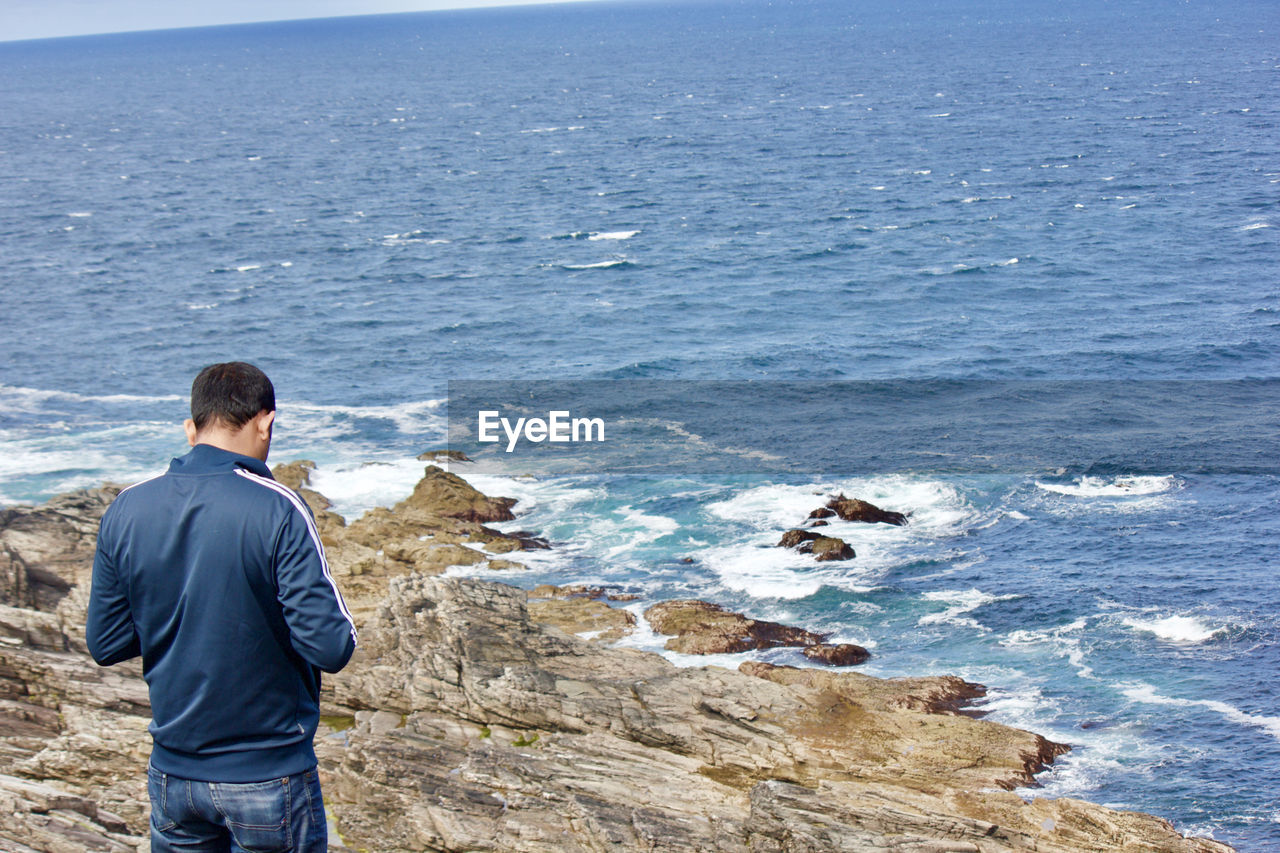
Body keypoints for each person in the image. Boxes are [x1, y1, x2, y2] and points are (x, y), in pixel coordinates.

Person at [86, 362, 357, 853]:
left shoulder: (126, 508)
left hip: (173, 775)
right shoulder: (278, 507)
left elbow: (105, 644)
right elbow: (331, 645)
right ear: (266, 422)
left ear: (191, 429)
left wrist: (175, 617)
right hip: (266, 773)